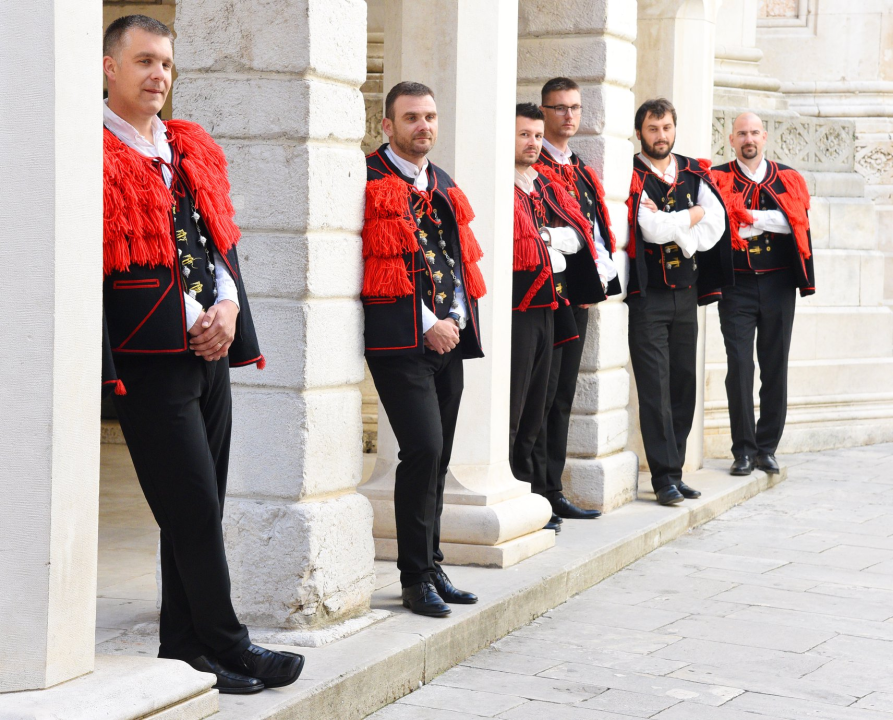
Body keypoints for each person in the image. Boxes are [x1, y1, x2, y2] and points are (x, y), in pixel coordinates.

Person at [101, 15, 304, 694]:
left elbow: (217, 239)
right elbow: (106, 262)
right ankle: (229, 644)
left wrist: (229, 306)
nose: (158, 75)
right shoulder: (91, 149)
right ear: (110, 68)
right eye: (144, 61)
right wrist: (193, 318)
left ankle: (184, 647)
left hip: (209, 350)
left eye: (165, 63)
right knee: (189, 505)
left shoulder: (186, 145)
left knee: (200, 505)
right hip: (149, 357)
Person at [362, 82, 486, 617]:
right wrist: (429, 322)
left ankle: (432, 566)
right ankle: (413, 579)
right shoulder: (369, 179)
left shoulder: (442, 182)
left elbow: (455, 263)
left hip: (447, 340)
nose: (424, 126)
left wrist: (454, 319)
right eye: (411, 117)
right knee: (423, 450)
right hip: (400, 341)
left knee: (440, 457)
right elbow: (375, 268)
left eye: (430, 116)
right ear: (387, 125)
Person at [626, 98, 734, 505]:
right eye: (653, 129)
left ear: (674, 128)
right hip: (649, 298)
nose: (661, 136)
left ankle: (676, 468)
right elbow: (651, 230)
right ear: (640, 132)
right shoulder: (632, 175)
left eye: (667, 128)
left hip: (686, 295)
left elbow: (716, 224)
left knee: (684, 385)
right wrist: (692, 215)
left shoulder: (692, 171)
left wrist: (677, 224)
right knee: (655, 388)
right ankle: (663, 478)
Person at [531, 77, 620, 523]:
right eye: (560, 108)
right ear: (543, 112)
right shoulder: (535, 165)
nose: (569, 116)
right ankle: (533, 493)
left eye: (575, 108)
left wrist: (599, 279)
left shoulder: (581, 169)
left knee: (563, 393)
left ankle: (552, 489)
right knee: (539, 395)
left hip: (578, 296)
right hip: (545, 296)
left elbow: (595, 231)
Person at [712, 112, 815, 476]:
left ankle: (766, 447)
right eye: (742, 133)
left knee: (775, 366)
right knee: (739, 366)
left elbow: (795, 220)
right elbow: (721, 223)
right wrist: (765, 219)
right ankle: (743, 450)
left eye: (754, 132)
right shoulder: (718, 178)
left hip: (778, 284)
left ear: (765, 137)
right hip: (736, 286)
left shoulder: (787, 178)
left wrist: (750, 218)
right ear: (731, 139)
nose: (749, 139)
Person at [511, 103, 595, 532]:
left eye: (537, 136)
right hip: (518, 309)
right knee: (517, 406)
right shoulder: (502, 186)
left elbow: (578, 236)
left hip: (554, 305)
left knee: (543, 403)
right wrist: (550, 245)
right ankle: (519, 495)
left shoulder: (544, 185)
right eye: (524, 134)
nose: (533, 143)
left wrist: (546, 238)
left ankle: (542, 495)